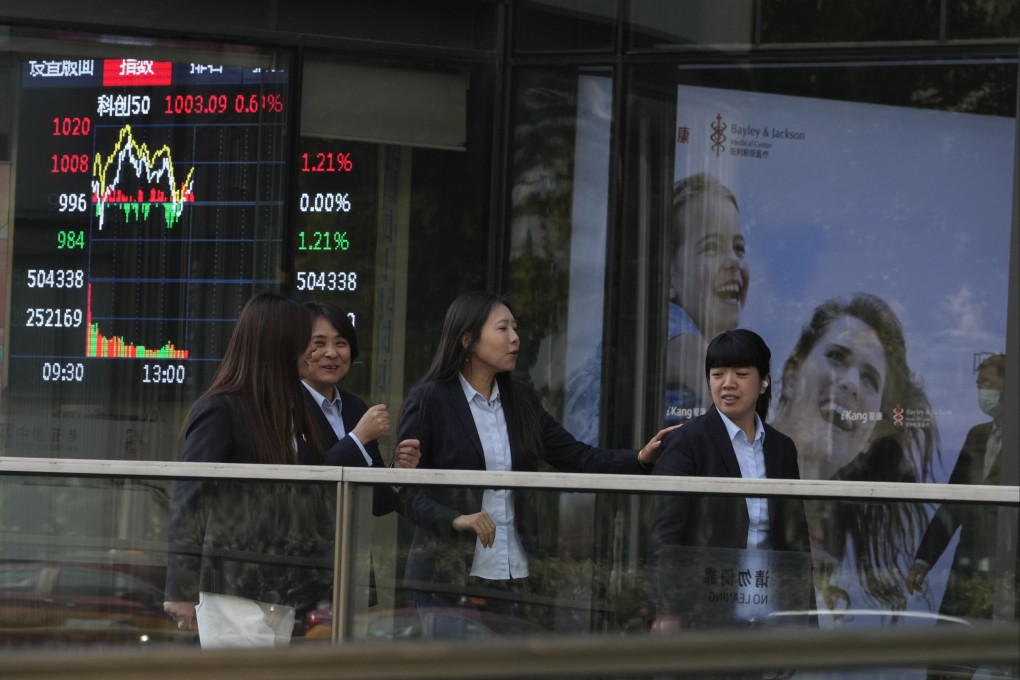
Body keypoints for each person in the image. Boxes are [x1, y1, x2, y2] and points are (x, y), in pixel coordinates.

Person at [397, 291, 677, 625]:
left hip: (514, 576)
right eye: (503, 329)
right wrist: (457, 518)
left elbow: (577, 457)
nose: (515, 338)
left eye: (515, 328)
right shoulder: (429, 399)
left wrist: (641, 458)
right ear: (468, 339)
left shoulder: (522, 399)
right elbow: (406, 491)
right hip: (445, 577)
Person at [162, 293, 414, 645]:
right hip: (234, 587)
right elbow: (190, 498)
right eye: (304, 343)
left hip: (281, 591)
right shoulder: (222, 408)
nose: (313, 353)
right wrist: (180, 587)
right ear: (278, 344)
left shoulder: (286, 411)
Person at [770, 293, 939, 613]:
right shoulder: (728, 464)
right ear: (792, 377)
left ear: (870, 437)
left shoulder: (836, 535)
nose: (851, 383)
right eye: (836, 356)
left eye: (869, 379)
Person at [647, 329, 812, 631]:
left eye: (741, 373)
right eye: (717, 374)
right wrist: (667, 608)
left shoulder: (781, 448)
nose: (727, 384)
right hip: (704, 615)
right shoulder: (687, 442)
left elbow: (795, 542)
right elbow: (664, 536)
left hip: (769, 618)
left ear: (764, 382)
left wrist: (802, 620)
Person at [907, 353, 1007, 624]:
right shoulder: (977, 435)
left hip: (1009, 576)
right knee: (946, 660)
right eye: (978, 385)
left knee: (1005, 662)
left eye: (988, 383)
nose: (982, 391)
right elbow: (953, 503)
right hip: (968, 571)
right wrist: (923, 560)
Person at [665, 173, 749, 426]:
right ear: (669, 277)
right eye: (711, 247)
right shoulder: (671, 327)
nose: (734, 261)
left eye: (739, 248)